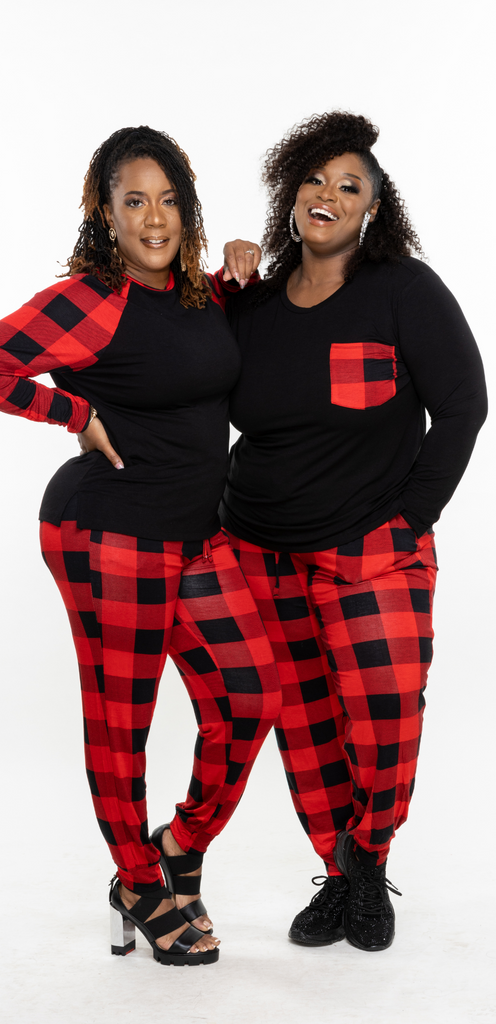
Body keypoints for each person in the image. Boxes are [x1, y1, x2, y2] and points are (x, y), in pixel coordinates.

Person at [0, 125, 282, 967]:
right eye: (134, 202)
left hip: (196, 532)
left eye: (168, 200)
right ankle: (136, 882)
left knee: (251, 696)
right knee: (122, 722)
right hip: (109, 533)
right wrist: (74, 412)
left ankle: (177, 846)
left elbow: (190, 355)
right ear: (105, 214)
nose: (154, 219)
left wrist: (236, 270)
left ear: (188, 209)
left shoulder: (197, 294)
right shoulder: (89, 299)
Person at [220, 111, 488, 952]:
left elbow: (462, 406)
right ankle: (336, 876)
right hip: (259, 550)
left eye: (349, 186)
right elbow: (182, 365)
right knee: (304, 725)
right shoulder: (254, 305)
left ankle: (368, 860)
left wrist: (411, 520)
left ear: (372, 208)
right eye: (314, 179)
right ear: (289, 192)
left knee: (383, 716)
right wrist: (223, 280)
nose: (326, 195)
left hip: (372, 549)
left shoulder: (402, 289)